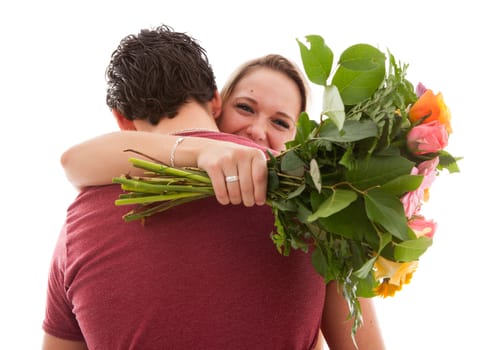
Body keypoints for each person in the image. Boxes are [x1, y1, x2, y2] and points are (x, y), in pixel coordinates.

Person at [43, 25, 384, 349]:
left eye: (280, 122)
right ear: (217, 101)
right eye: (246, 108)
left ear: (121, 120)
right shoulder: (318, 205)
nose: (255, 133)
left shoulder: (77, 225)